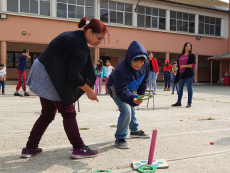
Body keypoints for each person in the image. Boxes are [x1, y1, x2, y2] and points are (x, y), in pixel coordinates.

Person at [21, 17, 108, 159]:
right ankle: (79, 148)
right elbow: (73, 74)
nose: (100, 42)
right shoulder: (79, 45)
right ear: (90, 31)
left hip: (42, 70)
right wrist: (89, 90)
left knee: (47, 114)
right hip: (49, 75)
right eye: (100, 38)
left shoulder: (74, 36)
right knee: (68, 112)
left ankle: (30, 147)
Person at [107, 41, 150, 149]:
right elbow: (121, 91)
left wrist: (140, 95)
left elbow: (144, 81)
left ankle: (134, 130)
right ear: (130, 58)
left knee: (132, 109)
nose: (138, 64)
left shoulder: (146, 65)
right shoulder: (121, 70)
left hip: (131, 89)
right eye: (136, 60)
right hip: (117, 89)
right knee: (126, 112)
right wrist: (132, 98)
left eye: (141, 61)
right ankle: (120, 137)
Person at [172, 42, 196, 108]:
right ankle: (178, 102)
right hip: (181, 74)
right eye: (186, 46)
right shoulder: (181, 55)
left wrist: (185, 66)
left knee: (189, 88)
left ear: (190, 47)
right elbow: (178, 63)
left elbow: (194, 65)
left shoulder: (192, 55)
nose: (188, 47)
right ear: (184, 47)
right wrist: (176, 65)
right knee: (180, 89)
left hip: (189, 74)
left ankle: (189, 103)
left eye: (189, 46)